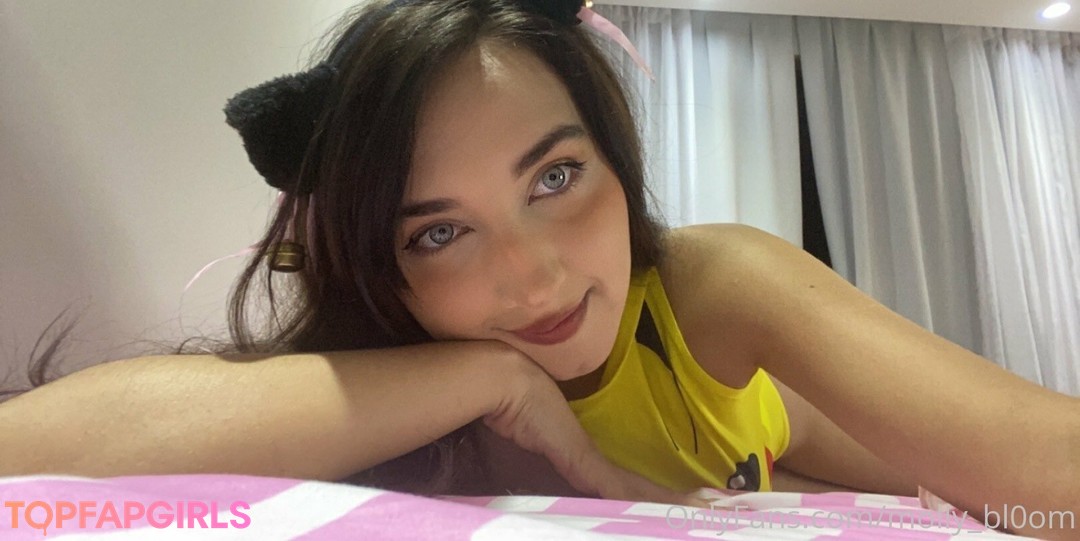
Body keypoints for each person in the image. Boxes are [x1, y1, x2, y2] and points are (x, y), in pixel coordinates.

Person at [1, 1, 1077, 538]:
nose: (533, 279)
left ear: (616, 160)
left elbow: (1042, 475)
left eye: (556, 177)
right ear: (380, 269)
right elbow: (26, 455)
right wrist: (487, 378)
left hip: (764, 423)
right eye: (438, 233)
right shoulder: (381, 382)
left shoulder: (709, 288)